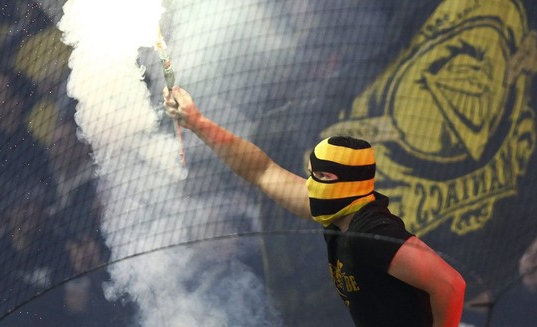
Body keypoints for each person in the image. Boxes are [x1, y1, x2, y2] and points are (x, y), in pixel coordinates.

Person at [163, 86, 466, 327]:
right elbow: (261, 170)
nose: (309, 183)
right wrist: (198, 123)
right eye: (310, 173)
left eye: (320, 176)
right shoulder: (336, 214)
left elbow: (450, 285)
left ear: (349, 182)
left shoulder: (372, 231)